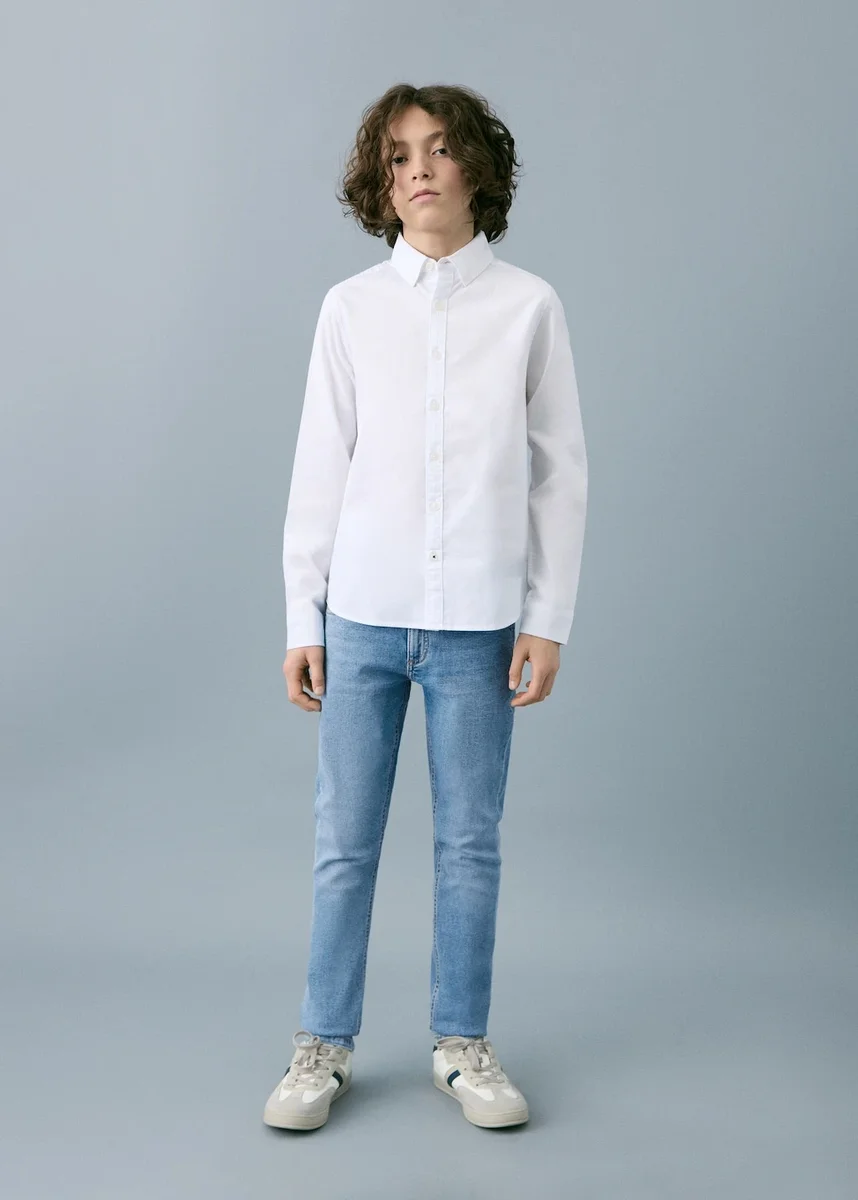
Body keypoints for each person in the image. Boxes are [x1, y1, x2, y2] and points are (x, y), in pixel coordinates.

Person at [263, 82, 588, 1132]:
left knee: (470, 843)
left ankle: (461, 1044)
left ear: (476, 170)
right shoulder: (351, 308)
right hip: (361, 615)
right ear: (381, 180)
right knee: (344, 841)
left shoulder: (528, 306)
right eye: (400, 155)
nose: (419, 170)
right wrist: (303, 618)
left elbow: (560, 474)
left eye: (440, 150)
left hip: (480, 623)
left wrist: (547, 616)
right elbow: (320, 468)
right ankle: (322, 1045)